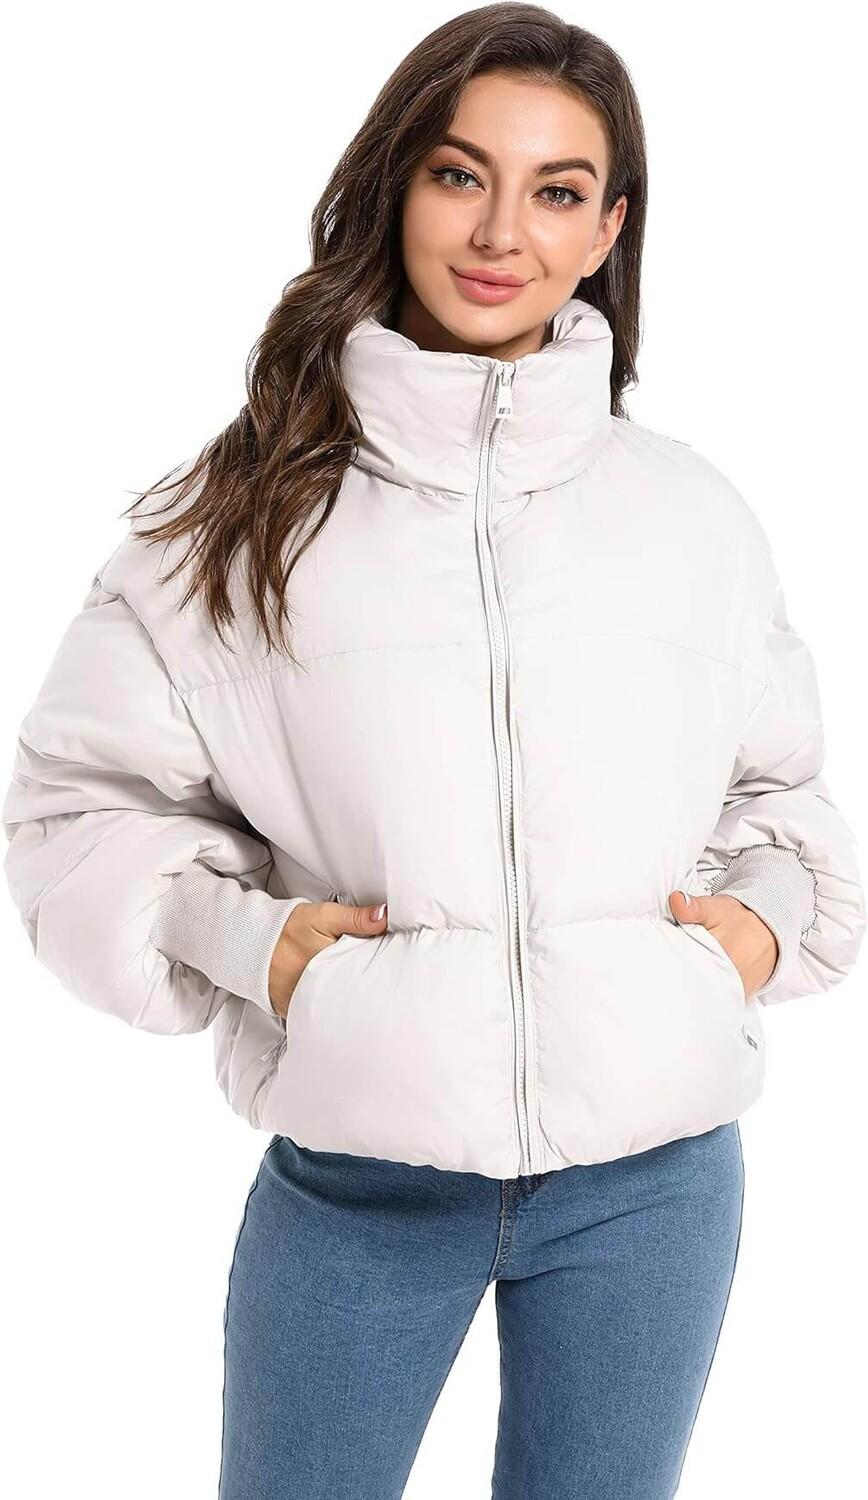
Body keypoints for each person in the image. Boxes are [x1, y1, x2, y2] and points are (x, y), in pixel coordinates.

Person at [3, 7, 864, 1497]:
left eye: (556, 190)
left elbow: (782, 788)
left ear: (607, 229)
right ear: (397, 185)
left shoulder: (690, 517)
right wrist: (253, 944)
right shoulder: (237, 521)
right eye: (461, 175)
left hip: (656, 1189)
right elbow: (76, 807)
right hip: (358, 1186)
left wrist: (759, 924)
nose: (501, 233)